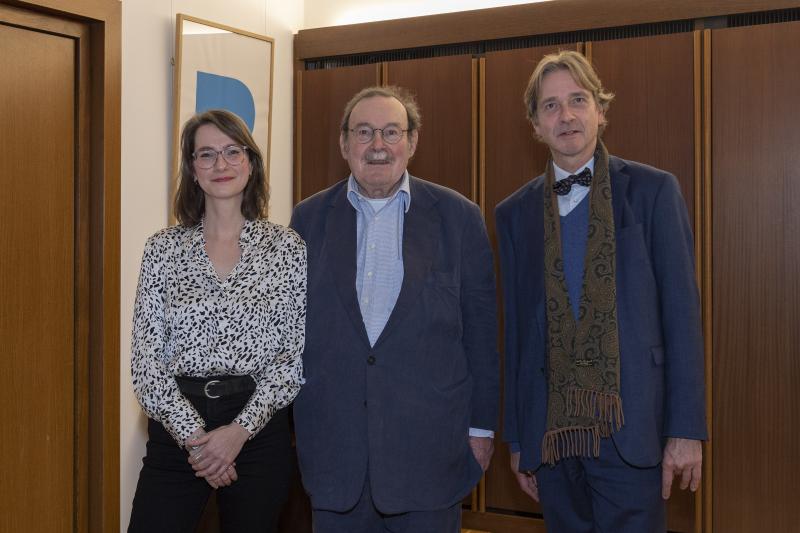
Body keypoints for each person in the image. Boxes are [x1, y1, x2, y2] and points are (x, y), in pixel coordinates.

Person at [495, 50, 706, 532]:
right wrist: (519, 439)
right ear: (535, 124)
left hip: (635, 432)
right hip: (551, 439)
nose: (565, 115)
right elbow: (518, 340)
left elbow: (682, 318)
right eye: (550, 106)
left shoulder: (654, 192)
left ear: (600, 110)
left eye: (577, 100)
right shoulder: (512, 215)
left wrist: (686, 430)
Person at [290, 86, 498, 533]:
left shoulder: (459, 218)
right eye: (364, 132)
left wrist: (481, 431)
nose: (378, 145)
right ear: (344, 144)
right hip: (335, 458)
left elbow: (482, 336)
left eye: (391, 132)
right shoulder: (307, 221)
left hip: (429, 455)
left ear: (413, 142)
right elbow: (291, 336)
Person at [128, 109, 306, 532]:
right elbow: (146, 364)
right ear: (192, 169)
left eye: (232, 152)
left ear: (251, 162)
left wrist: (236, 434)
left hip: (258, 429)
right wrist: (199, 441)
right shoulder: (163, 250)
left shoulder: (285, 247)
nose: (221, 165)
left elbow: (291, 359)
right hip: (177, 426)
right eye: (206, 155)